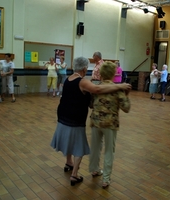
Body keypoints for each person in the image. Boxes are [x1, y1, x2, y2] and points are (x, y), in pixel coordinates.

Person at [50, 56, 131, 186]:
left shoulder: (70, 80)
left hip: (81, 120)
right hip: (96, 122)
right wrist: (122, 89)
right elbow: (124, 107)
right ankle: (90, 177)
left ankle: (83, 166)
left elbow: (92, 103)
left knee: (88, 146)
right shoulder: (86, 82)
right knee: (93, 148)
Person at [89, 61, 131, 189]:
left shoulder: (96, 88)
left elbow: (91, 104)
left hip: (96, 122)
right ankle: (106, 179)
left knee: (95, 147)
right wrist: (126, 95)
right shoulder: (118, 89)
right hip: (110, 124)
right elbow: (126, 108)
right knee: (109, 151)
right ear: (113, 74)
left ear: (101, 74)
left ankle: (94, 169)